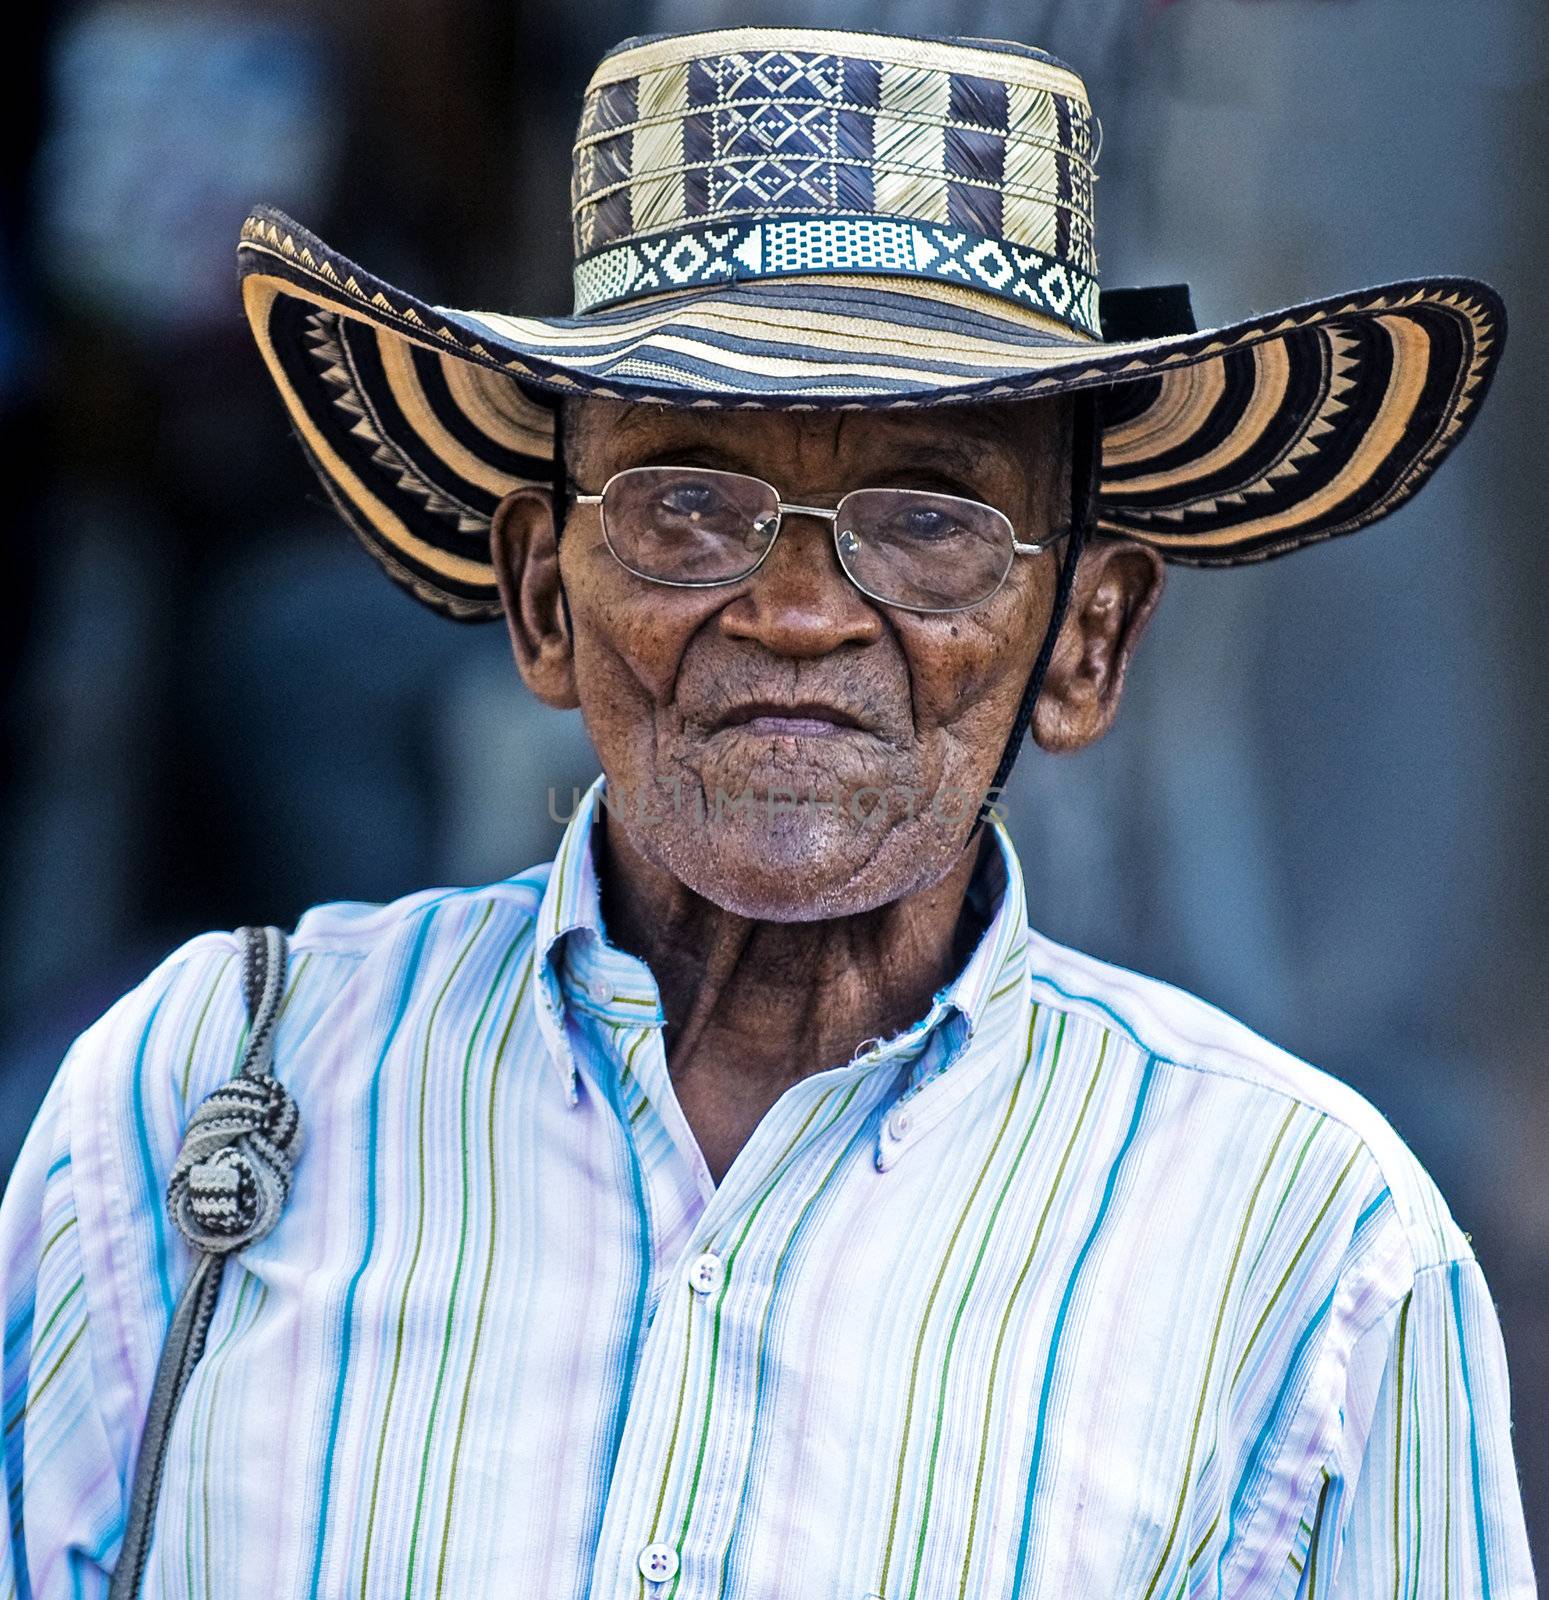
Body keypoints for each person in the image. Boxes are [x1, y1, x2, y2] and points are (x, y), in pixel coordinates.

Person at [0, 26, 1533, 1599]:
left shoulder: (1306, 1241)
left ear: (1086, 643)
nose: (795, 611)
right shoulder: (211, 1092)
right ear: (540, 597)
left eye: (931, 519)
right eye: (686, 501)